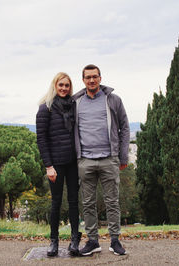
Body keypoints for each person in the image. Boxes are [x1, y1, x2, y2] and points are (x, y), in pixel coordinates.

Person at [73, 64, 130, 256]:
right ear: (83, 80)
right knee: (88, 203)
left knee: (112, 201)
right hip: (85, 161)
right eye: (88, 77)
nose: (91, 80)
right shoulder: (76, 103)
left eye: (94, 77)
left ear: (100, 78)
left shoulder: (113, 100)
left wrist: (123, 156)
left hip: (109, 159)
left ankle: (115, 240)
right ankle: (93, 241)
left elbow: (125, 128)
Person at [36, 72, 82, 257]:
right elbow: (41, 139)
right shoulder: (45, 108)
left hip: (72, 162)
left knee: (73, 202)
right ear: (54, 86)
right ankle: (53, 240)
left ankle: (74, 240)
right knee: (56, 203)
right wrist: (48, 165)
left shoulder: (73, 106)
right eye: (60, 85)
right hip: (55, 163)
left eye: (67, 85)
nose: (64, 88)